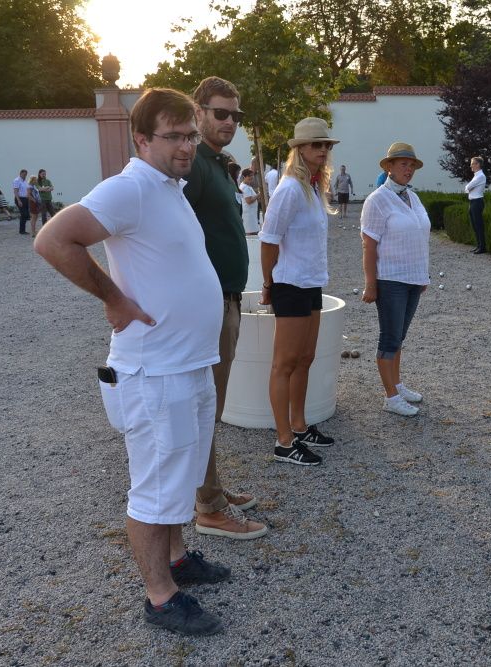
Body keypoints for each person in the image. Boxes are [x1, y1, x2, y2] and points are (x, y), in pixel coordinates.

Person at [33, 88, 232, 636]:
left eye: (190, 136)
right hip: (155, 371)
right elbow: (53, 240)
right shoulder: (131, 188)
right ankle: (160, 597)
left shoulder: (169, 187)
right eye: (174, 137)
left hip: (186, 363)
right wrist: (113, 298)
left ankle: (176, 559)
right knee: (154, 486)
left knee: (180, 474)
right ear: (141, 139)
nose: (187, 146)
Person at [183, 76, 267, 541]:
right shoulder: (194, 163)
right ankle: (208, 508)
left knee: (210, 405)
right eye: (220, 113)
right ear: (198, 112)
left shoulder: (216, 163)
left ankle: (210, 490)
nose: (230, 121)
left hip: (225, 298)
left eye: (236, 114)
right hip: (208, 303)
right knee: (204, 407)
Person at [258, 117, 338, 466]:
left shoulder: (314, 188)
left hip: (310, 282)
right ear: (300, 149)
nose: (323, 150)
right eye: (316, 144)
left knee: (305, 358)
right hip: (289, 284)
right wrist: (268, 284)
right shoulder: (290, 188)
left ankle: (299, 425)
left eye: (326, 145)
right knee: (284, 363)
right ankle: (283, 441)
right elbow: (268, 240)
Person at [360, 143, 430, 416]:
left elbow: (420, 235)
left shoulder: (413, 197)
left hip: (413, 277)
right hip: (390, 279)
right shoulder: (377, 200)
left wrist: (422, 274)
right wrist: (370, 283)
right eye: (403, 164)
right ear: (389, 167)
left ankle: (397, 385)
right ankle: (390, 397)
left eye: (411, 165)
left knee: (400, 336)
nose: (408, 169)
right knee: (390, 338)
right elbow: (369, 245)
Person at [465, 156, 487, 254]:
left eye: (472, 164)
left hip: (477, 202)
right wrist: (468, 188)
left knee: (478, 225)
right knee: (474, 225)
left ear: (478, 164)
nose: (471, 166)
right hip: (473, 202)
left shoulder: (480, 176)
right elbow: (467, 188)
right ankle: (478, 245)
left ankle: (482, 247)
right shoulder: (476, 176)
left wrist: (468, 188)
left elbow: (468, 187)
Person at [240, 168, 259, 234]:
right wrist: (258, 195)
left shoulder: (247, 186)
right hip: (249, 215)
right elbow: (249, 201)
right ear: (244, 177)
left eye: (252, 175)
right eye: (249, 176)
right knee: (250, 233)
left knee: (252, 232)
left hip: (251, 213)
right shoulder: (245, 187)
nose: (251, 177)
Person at [13, 169, 30, 234]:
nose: (25, 176)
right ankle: (21, 230)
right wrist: (18, 200)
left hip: (25, 199)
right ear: (20, 173)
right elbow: (15, 191)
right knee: (24, 214)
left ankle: (23, 230)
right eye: (24, 174)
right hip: (20, 198)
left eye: (26, 175)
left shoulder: (25, 181)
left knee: (26, 215)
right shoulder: (17, 180)